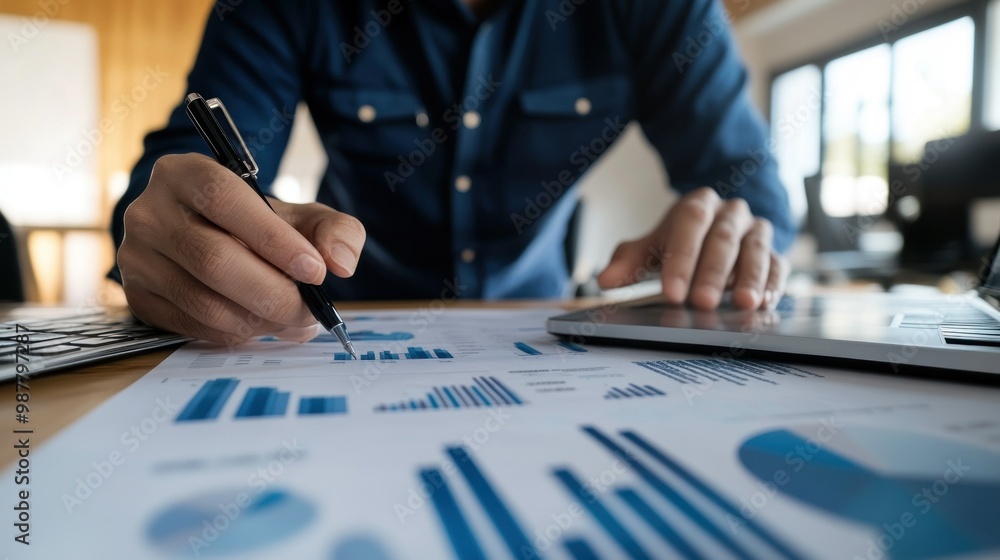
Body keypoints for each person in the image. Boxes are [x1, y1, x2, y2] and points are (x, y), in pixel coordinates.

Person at [110, 0, 796, 345]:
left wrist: (727, 230)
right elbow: (180, 171)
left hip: (543, 330)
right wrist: (181, 225)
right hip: (337, 320)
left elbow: (750, 187)